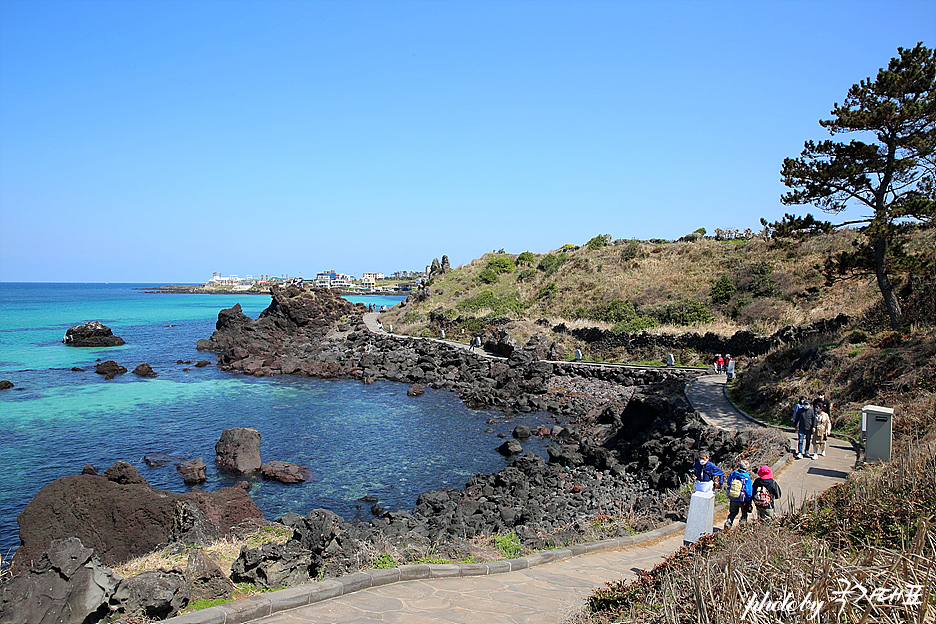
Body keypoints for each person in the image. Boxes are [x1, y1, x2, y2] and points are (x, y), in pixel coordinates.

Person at [724, 459, 753, 529]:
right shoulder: (746, 478)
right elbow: (748, 492)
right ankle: (741, 528)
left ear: (739, 465)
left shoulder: (733, 473)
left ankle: (728, 523)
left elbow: (728, 483)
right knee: (744, 514)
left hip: (733, 497)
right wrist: (749, 501)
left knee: (733, 513)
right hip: (742, 499)